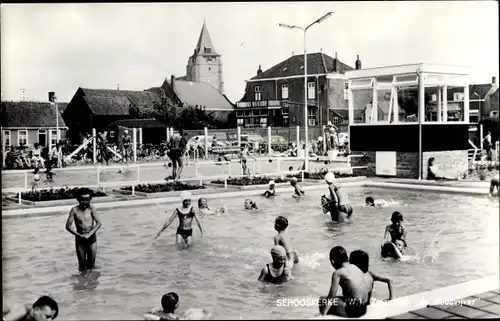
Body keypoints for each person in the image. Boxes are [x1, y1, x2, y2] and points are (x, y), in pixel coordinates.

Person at [319, 246, 370, 318]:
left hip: (355, 311)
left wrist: (322, 315)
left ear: (333, 261)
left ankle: (325, 316)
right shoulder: (355, 267)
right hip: (364, 308)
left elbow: (331, 296)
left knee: (322, 300)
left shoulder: (338, 273)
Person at [65, 188, 102, 271]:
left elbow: (99, 223)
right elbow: (68, 226)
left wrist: (89, 234)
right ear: (77, 199)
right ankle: (81, 281)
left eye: (87, 200)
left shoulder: (92, 208)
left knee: (91, 263)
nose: (85, 202)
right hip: (80, 239)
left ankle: (91, 282)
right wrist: (79, 235)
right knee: (82, 265)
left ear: (90, 199)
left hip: (91, 238)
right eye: (82, 200)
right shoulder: (74, 210)